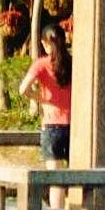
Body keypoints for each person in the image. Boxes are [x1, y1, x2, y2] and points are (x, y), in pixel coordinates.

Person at [27, 30, 73, 164]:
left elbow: (23, 89)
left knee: (55, 180)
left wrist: (43, 99)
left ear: (44, 43)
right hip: (74, 125)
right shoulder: (72, 62)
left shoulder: (41, 64)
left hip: (52, 124)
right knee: (77, 179)